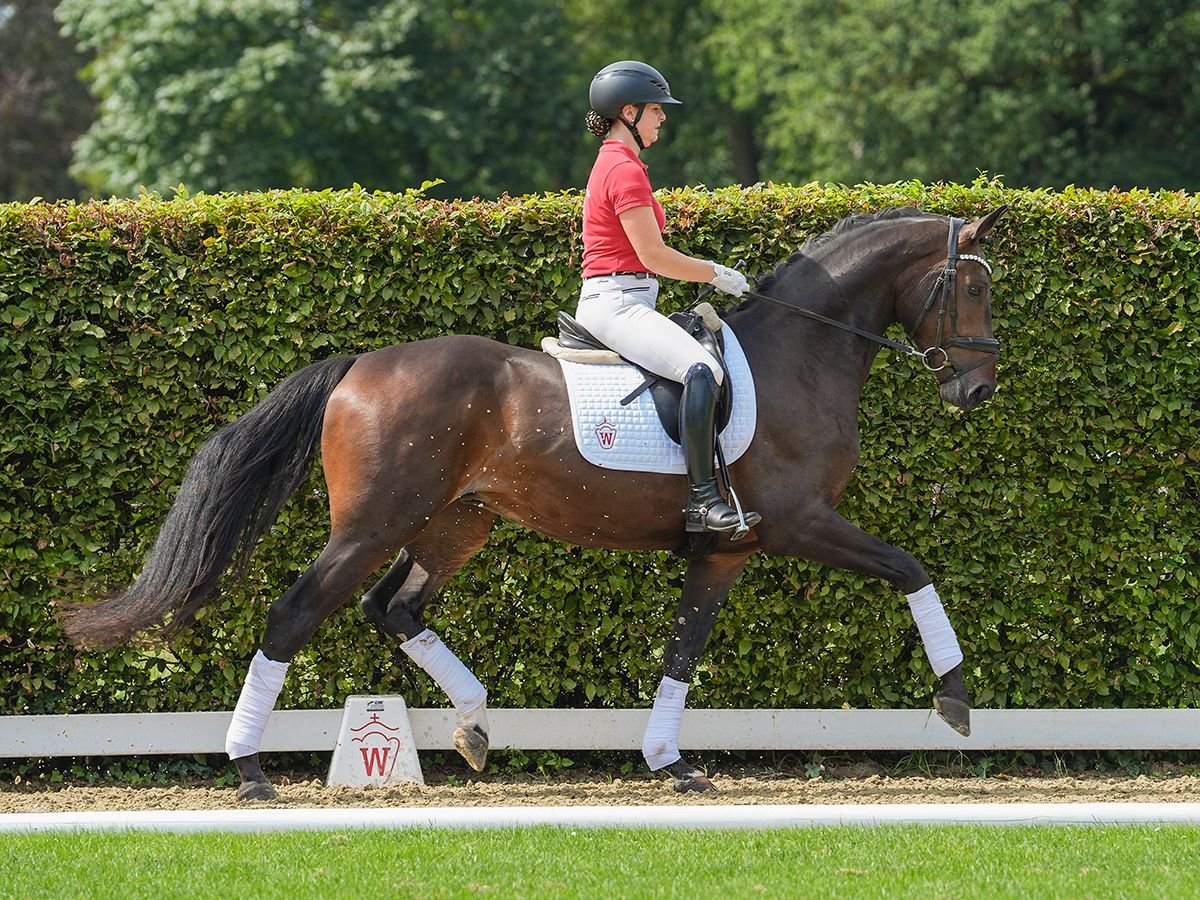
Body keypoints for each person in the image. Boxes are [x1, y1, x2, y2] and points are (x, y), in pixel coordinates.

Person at [576, 60, 762, 535]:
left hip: (628, 297)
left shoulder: (620, 163)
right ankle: (702, 501)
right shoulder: (623, 169)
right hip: (616, 301)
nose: (663, 119)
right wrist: (716, 274)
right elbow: (652, 255)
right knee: (702, 368)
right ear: (630, 112)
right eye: (657, 110)